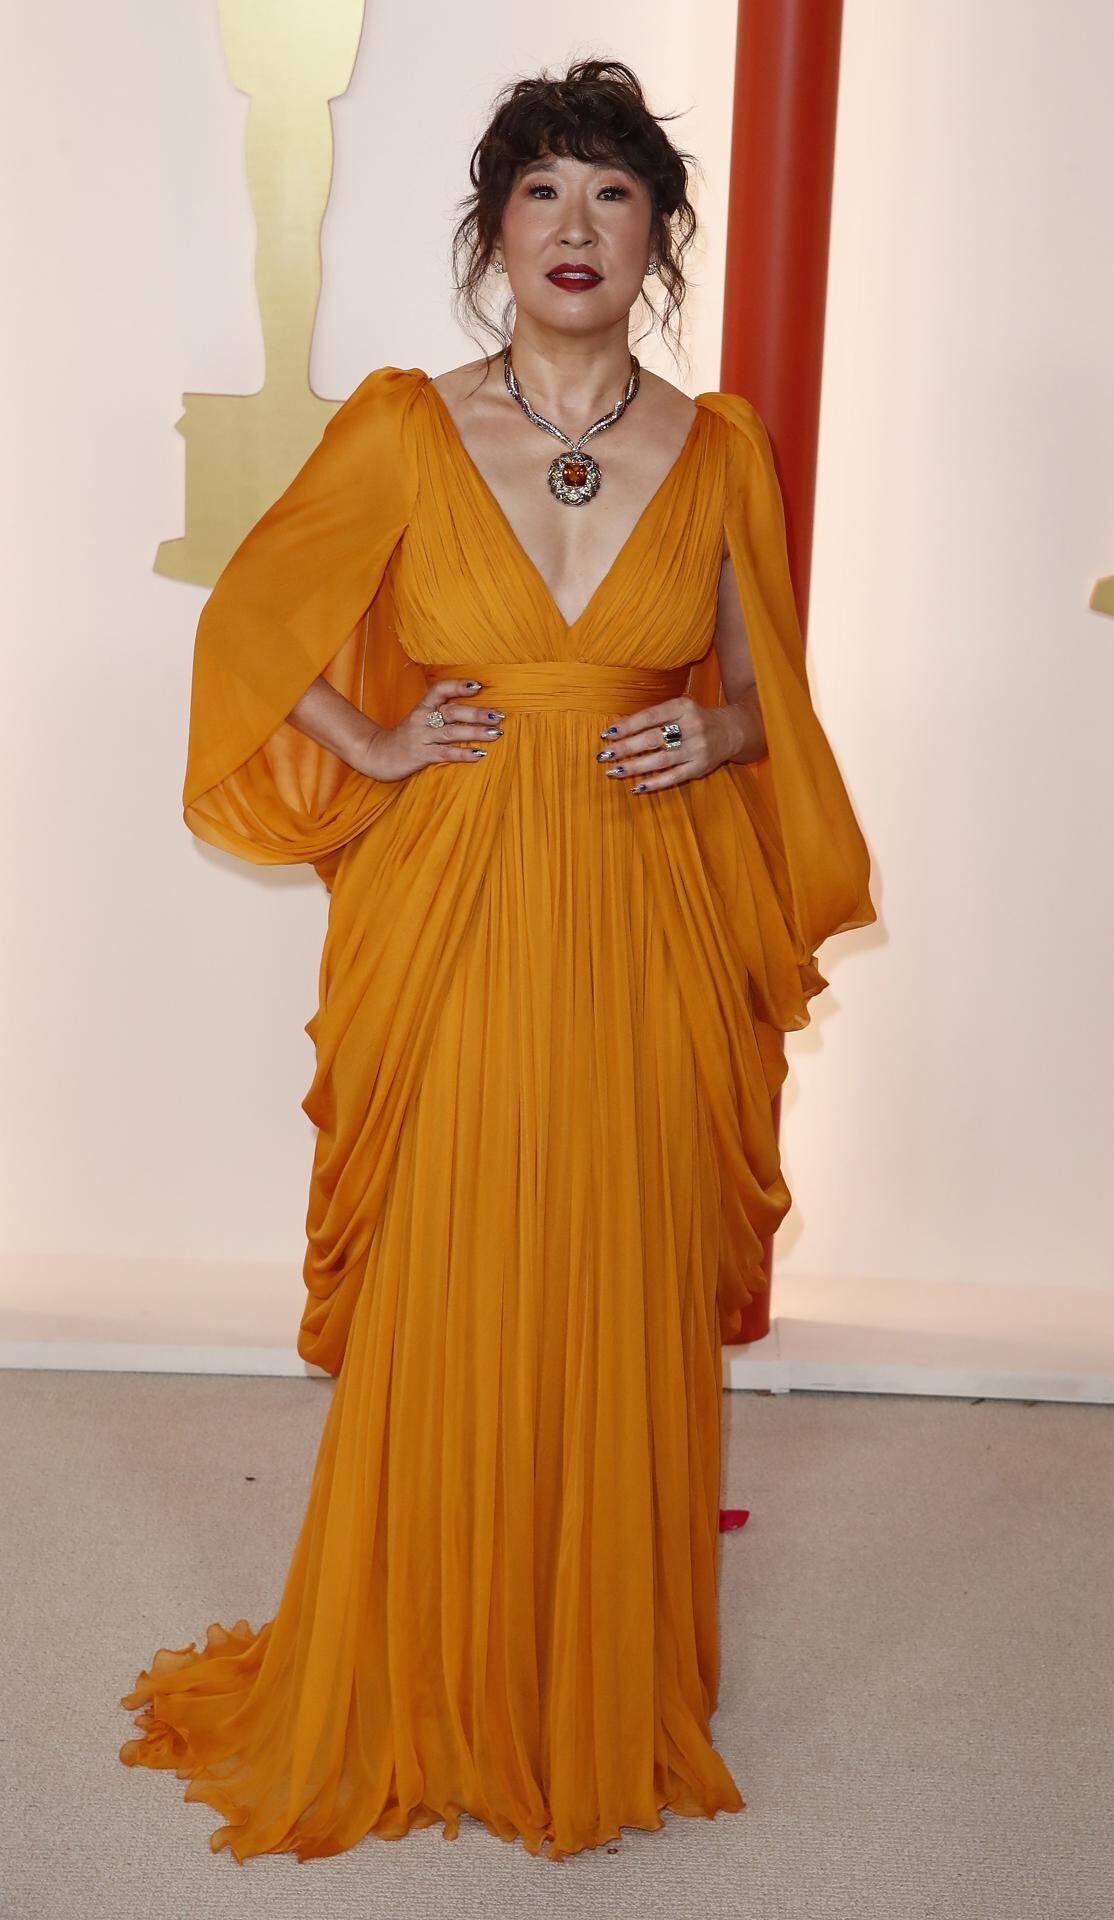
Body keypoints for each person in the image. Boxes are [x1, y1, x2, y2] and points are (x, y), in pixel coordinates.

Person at [118, 58, 875, 1864]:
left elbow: (768, 690)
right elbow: (252, 617)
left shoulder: (722, 450)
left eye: (612, 195)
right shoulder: (400, 424)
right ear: (491, 230)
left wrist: (719, 736)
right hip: (454, 894)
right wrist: (373, 748)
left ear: (654, 238)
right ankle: (420, 1671)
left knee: (609, 1251)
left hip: (636, 898)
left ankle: (593, 1680)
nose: (575, 227)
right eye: (542, 191)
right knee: (461, 1254)